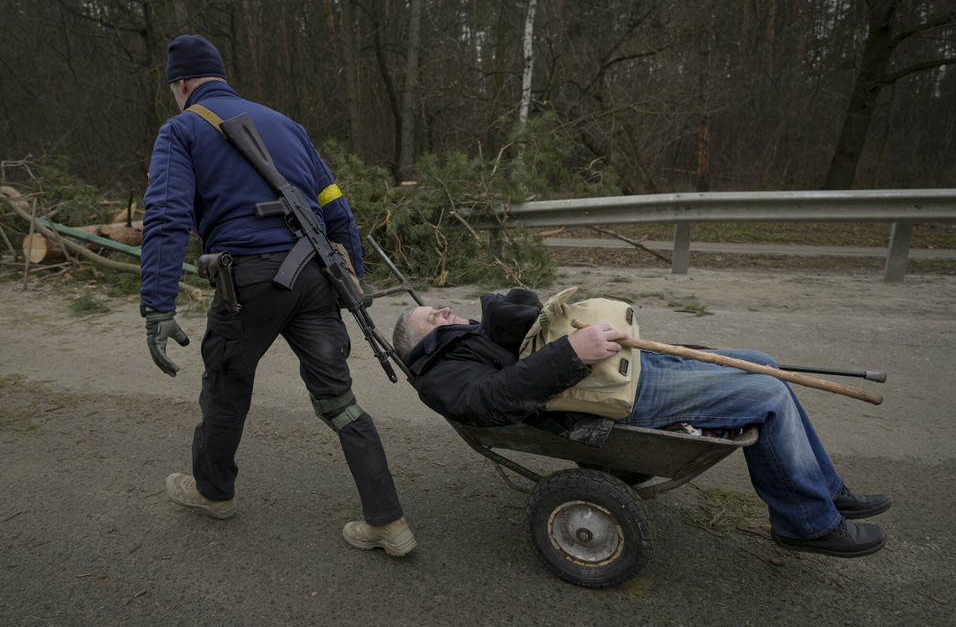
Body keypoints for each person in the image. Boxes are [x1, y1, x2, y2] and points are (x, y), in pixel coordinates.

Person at [139, 34, 414, 557]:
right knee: (340, 401)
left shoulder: (180, 130)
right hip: (314, 275)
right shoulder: (289, 125)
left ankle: (213, 492)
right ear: (220, 75)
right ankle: (389, 521)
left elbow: (167, 216)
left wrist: (156, 304)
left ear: (181, 84)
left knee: (225, 384)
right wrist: (349, 272)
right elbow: (336, 204)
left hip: (248, 283)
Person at [393, 287, 892, 558]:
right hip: (606, 397)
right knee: (768, 393)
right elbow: (491, 401)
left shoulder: (465, 341)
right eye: (431, 318)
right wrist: (570, 352)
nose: (443, 309)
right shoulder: (442, 373)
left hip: (618, 369)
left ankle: (826, 490)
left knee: (761, 360)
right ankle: (805, 523)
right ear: (420, 346)